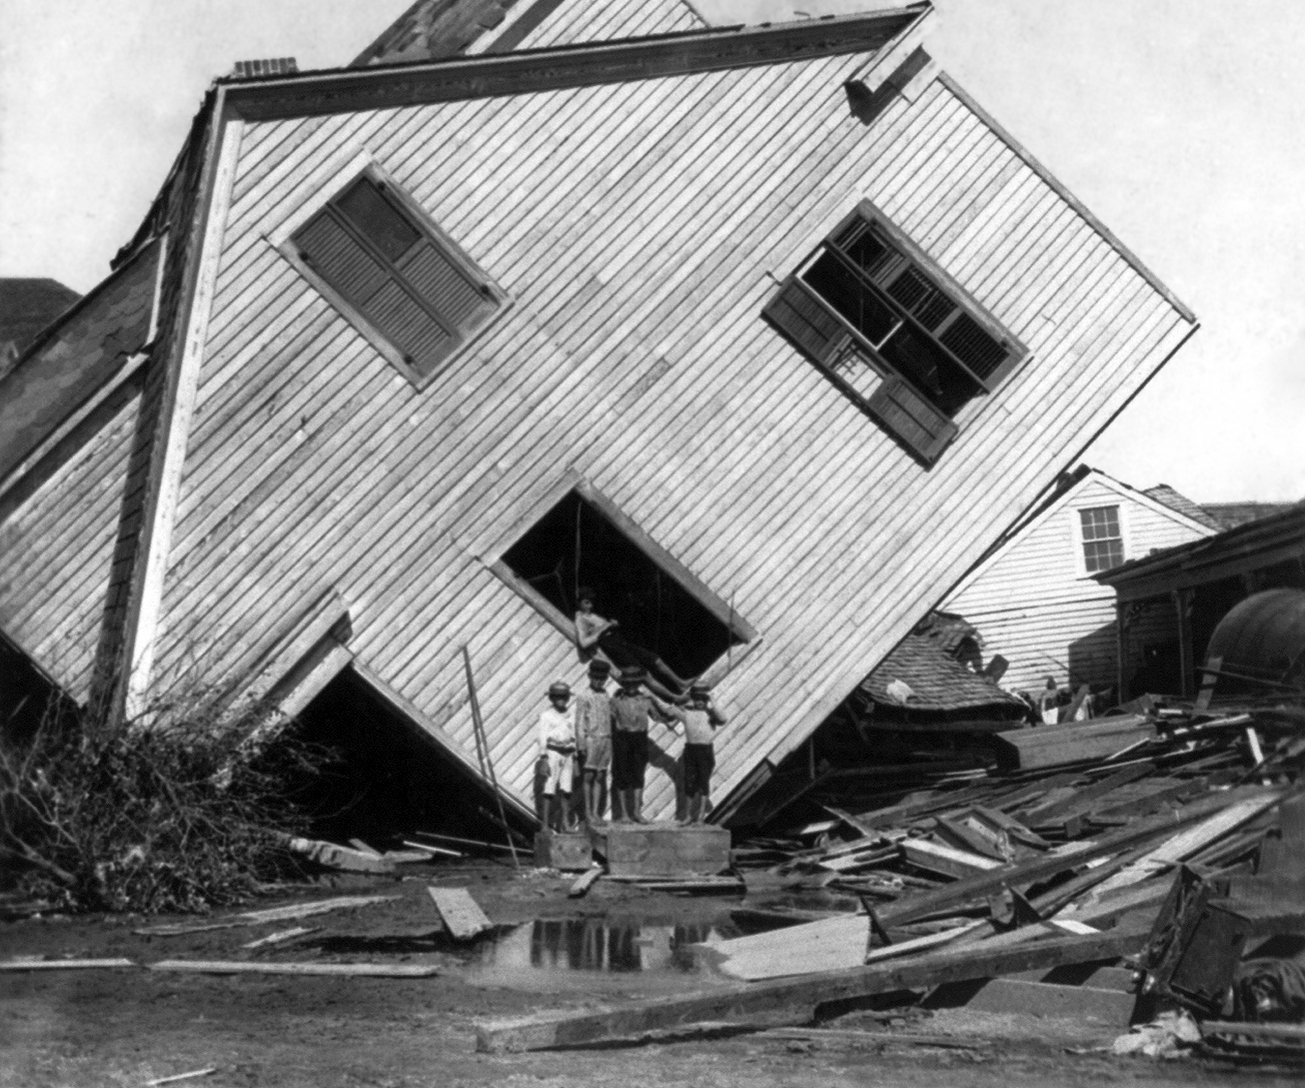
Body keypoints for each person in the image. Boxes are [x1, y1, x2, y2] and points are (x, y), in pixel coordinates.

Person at [573, 586, 688, 701]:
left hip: (620, 642)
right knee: (645, 675)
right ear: (579, 603)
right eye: (586, 602)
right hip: (613, 649)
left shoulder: (592, 614)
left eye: (591, 601)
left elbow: (603, 627)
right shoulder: (581, 619)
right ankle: (675, 698)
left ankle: (681, 683)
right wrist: (603, 628)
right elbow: (584, 643)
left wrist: (611, 625)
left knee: (655, 659)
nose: (590, 605)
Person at [609, 665, 679, 824]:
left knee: (638, 776)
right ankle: (624, 814)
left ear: (639, 684)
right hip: (622, 738)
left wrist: (671, 712)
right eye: (628, 683)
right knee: (621, 776)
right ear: (623, 684)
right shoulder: (615, 701)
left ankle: (636, 812)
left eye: (634, 683)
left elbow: (659, 717)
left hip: (640, 738)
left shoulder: (646, 700)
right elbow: (610, 721)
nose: (631, 687)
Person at [664, 681, 726, 825]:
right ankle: (688, 816)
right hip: (691, 750)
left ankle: (700, 818)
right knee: (689, 783)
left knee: (703, 783)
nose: (699, 702)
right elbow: (670, 710)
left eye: (702, 699)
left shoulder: (712, 715)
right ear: (693, 699)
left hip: (705, 751)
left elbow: (723, 718)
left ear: (706, 700)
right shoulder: (688, 714)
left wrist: (713, 700)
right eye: (697, 699)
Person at [573, 658, 613, 824]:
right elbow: (580, 721)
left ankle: (597, 813)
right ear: (590, 677)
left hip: (605, 739)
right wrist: (581, 744)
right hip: (591, 739)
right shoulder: (584, 696)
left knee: (600, 776)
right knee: (588, 776)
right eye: (596, 678)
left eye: (602, 678)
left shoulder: (605, 695)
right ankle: (587, 812)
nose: (598, 681)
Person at [536, 679, 578, 832]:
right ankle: (545, 824)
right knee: (549, 789)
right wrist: (544, 757)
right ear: (552, 698)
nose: (561, 700)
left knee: (566, 789)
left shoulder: (571, 714)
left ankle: (565, 823)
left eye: (564, 697)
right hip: (552, 752)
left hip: (567, 753)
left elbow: (574, 734)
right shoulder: (546, 715)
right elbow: (542, 737)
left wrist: (575, 755)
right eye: (557, 697)